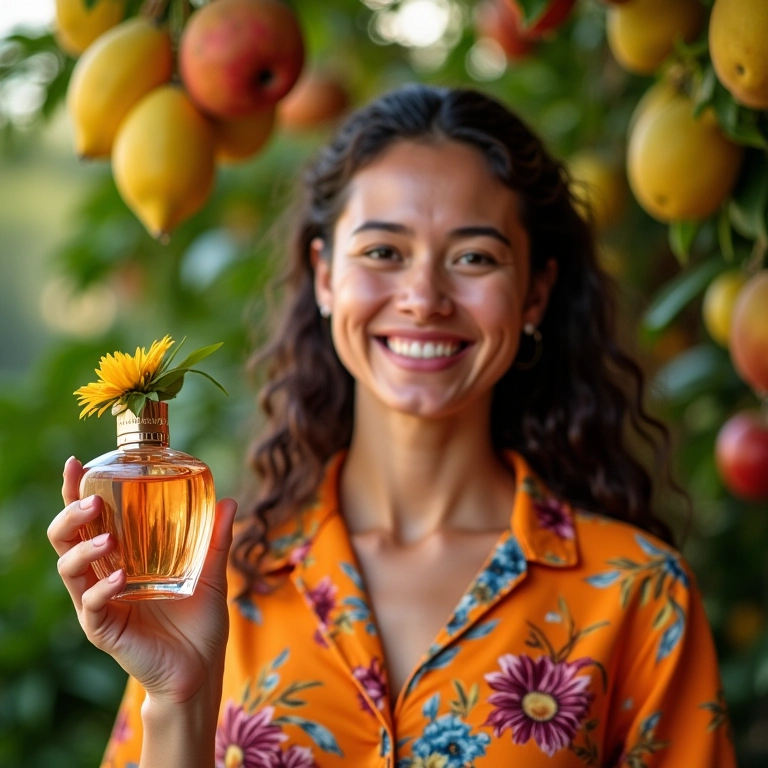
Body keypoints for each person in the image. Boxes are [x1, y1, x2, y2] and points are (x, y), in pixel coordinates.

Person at [48, 84, 736, 768]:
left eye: (473, 257)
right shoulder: (217, 584)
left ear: (535, 293)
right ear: (323, 276)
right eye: (383, 252)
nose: (423, 299)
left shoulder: (638, 594)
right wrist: (177, 700)